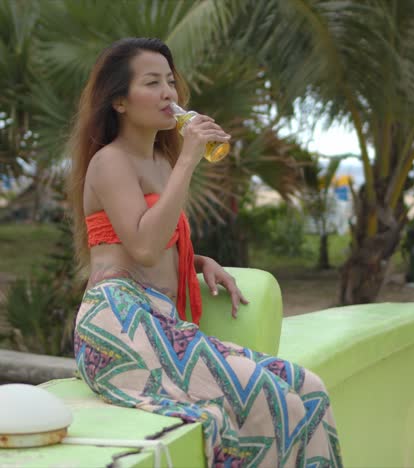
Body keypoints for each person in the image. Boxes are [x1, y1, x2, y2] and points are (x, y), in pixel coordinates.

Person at [69, 37, 343, 467]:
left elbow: (146, 241)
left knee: (308, 388)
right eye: (152, 83)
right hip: (119, 324)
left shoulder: (160, 162)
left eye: (170, 82)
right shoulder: (111, 161)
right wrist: (190, 160)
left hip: (161, 323)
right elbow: (141, 248)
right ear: (119, 101)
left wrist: (197, 260)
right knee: (274, 402)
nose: (168, 94)